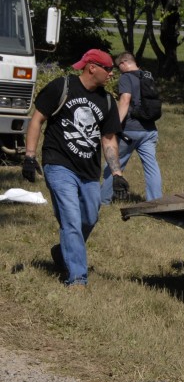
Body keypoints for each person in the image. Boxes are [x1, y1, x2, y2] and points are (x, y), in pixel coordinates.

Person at [21, 49, 129, 288]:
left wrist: (117, 173)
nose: (112, 73)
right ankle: (77, 279)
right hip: (58, 164)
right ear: (92, 67)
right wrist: (29, 156)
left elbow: (109, 138)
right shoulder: (62, 87)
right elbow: (37, 119)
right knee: (71, 219)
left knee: (89, 217)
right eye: (108, 68)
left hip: (88, 171)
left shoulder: (107, 100)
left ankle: (63, 253)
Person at [100, 52, 162, 204]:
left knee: (113, 162)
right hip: (149, 130)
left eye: (117, 66)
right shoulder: (147, 76)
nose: (116, 70)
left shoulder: (126, 77)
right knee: (151, 167)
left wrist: (116, 124)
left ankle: (103, 200)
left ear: (123, 63)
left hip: (130, 130)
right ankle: (155, 201)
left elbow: (125, 100)